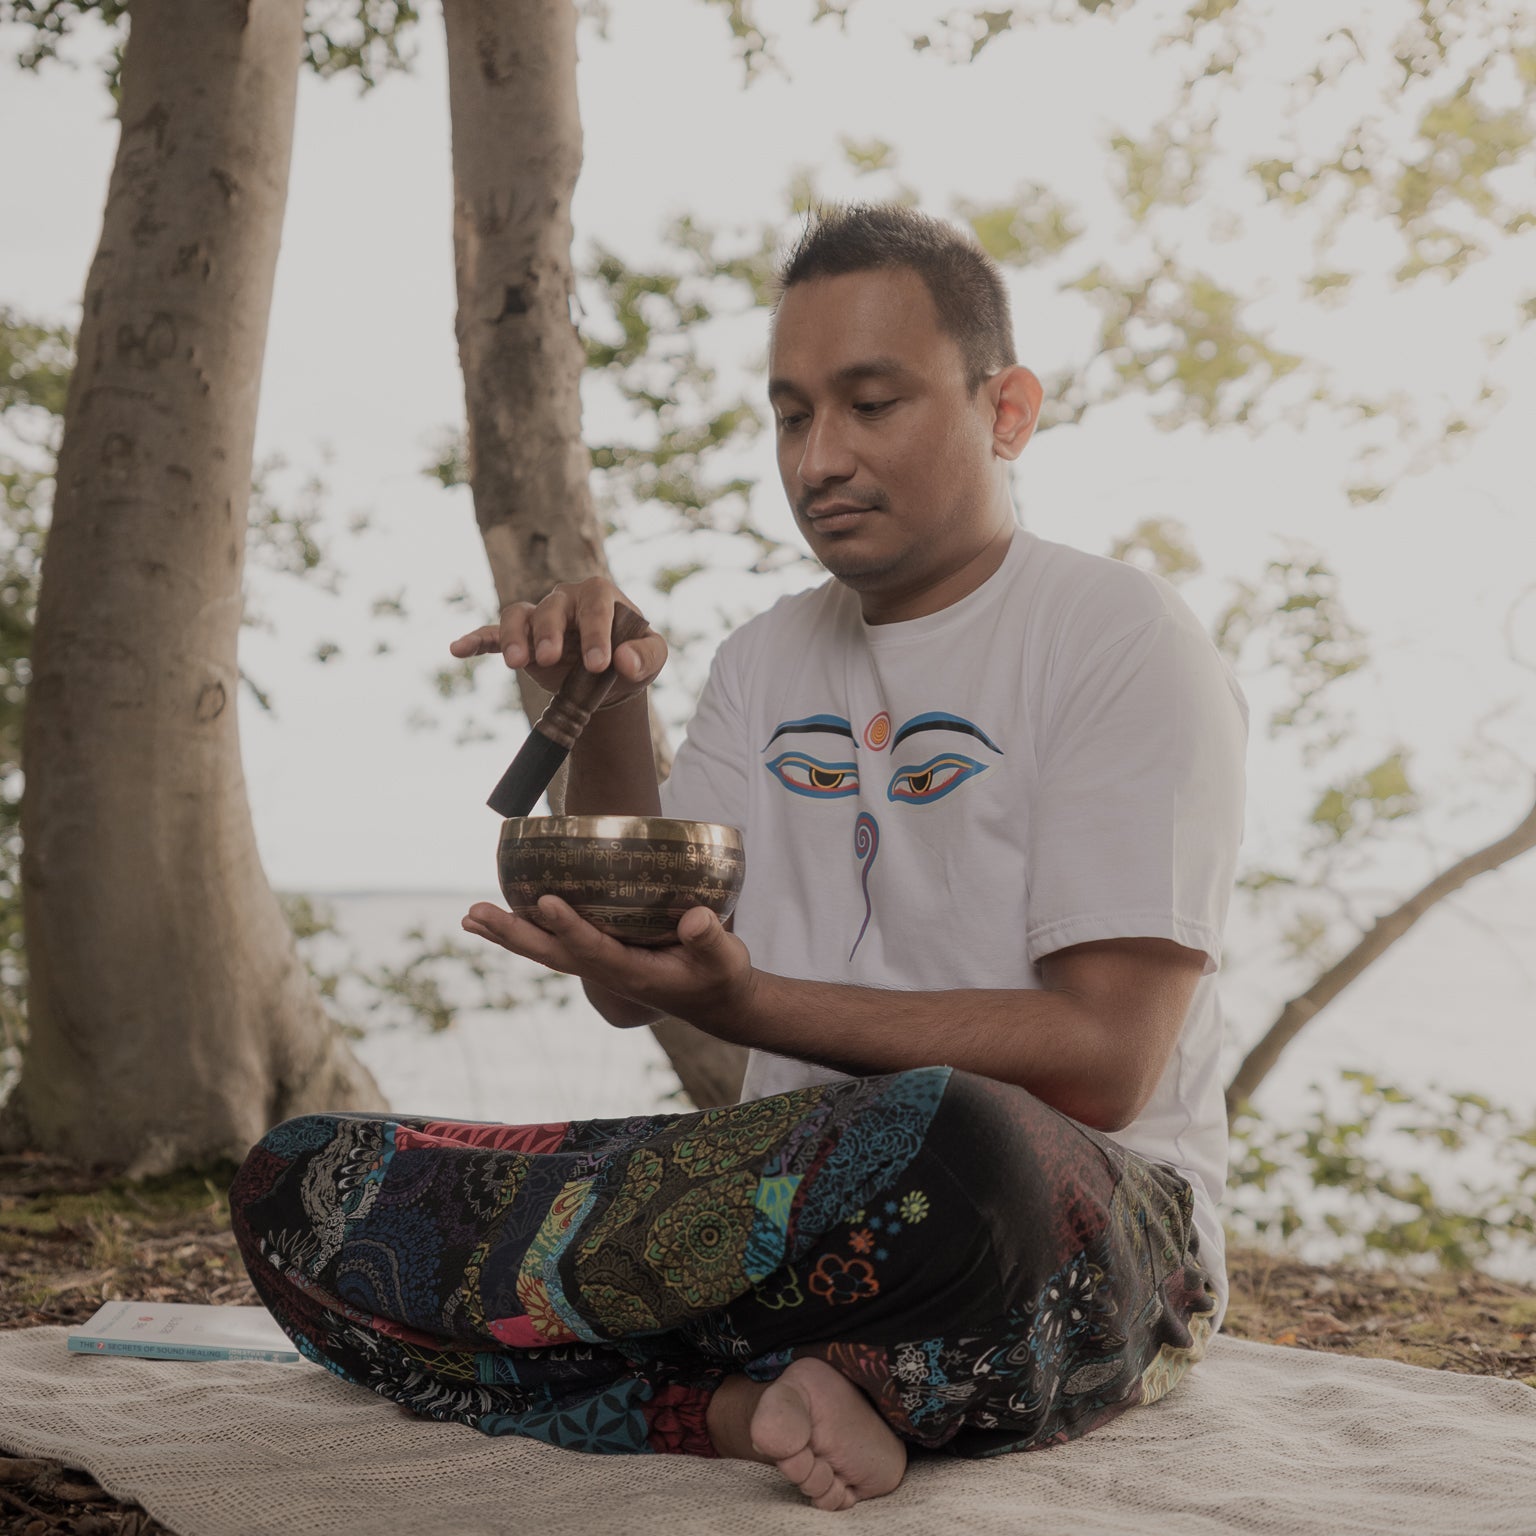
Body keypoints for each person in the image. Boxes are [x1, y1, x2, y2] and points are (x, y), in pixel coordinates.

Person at [230, 203, 1248, 1512]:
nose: (820, 457)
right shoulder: (768, 657)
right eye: (790, 415)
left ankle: (733, 1365)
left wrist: (751, 1006)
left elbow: (1108, 1063)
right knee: (302, 1191)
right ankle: (757, 1406)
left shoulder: (1118, 637)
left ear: (1007, 409)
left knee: (955, 1137)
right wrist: (609, 709)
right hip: (796, 1214)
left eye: (871, 404)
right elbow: (633, 977)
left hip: (1067, 1234)